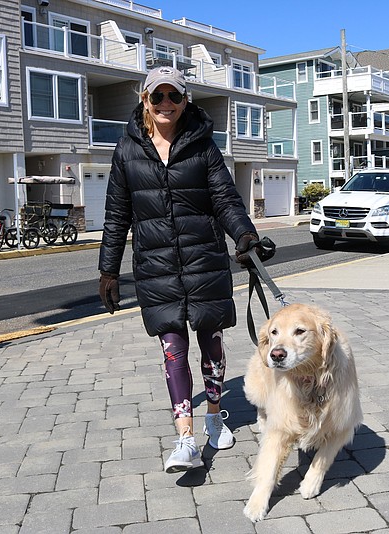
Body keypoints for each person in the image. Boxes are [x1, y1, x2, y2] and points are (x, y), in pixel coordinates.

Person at [98, 66, 273, 473]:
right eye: (156, 96)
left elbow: (226, 200)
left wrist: (244, 238)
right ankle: (186, 438)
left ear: (185, 100)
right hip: (156, 266)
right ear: (145, 100)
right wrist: (108, 270)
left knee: (211, 345)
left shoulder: (203, 147)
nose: (165, 104)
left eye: (173, 96)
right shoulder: (126, 151)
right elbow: (116, 215)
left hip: (204, 261)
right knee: (173, 349)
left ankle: (214, 416)